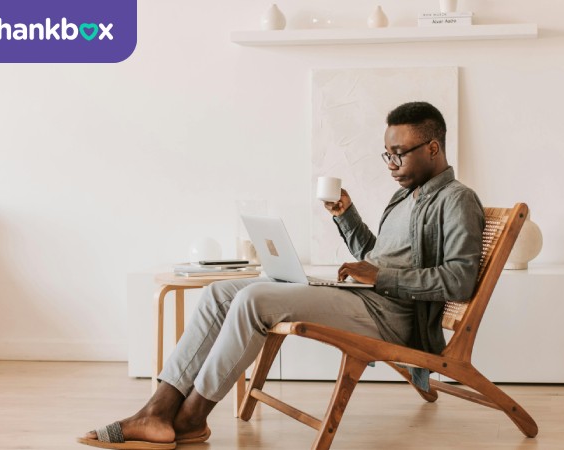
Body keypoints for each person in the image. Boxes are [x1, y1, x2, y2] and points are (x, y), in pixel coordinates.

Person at [77, 101, 485, 449]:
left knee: (255, 300)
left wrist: (379, 278)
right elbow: (375, 256)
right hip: (367, 299)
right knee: (222, 293)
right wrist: (346, 216)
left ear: (433, 147)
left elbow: (459, 280)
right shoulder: (404, 196)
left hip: (393, 317)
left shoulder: (457, 200)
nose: (392, 164)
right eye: (387, 154)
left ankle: (192, 417)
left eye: (400, 153)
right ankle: (157, 409)